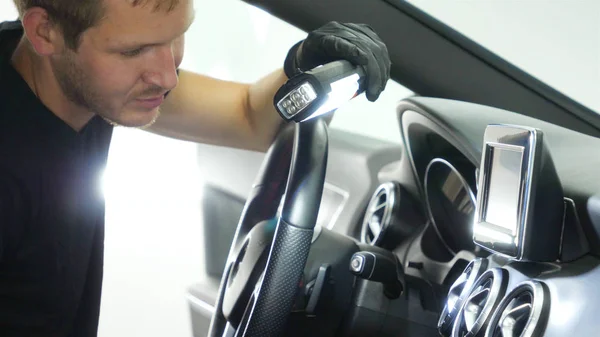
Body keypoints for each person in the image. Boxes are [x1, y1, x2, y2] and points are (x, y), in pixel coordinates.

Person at [0, 0, 391, 336]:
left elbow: (247, 118)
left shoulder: (79, 77)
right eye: (133, 51)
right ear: (44, 32)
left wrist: (304, 62)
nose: (167, 76)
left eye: (175, 36)